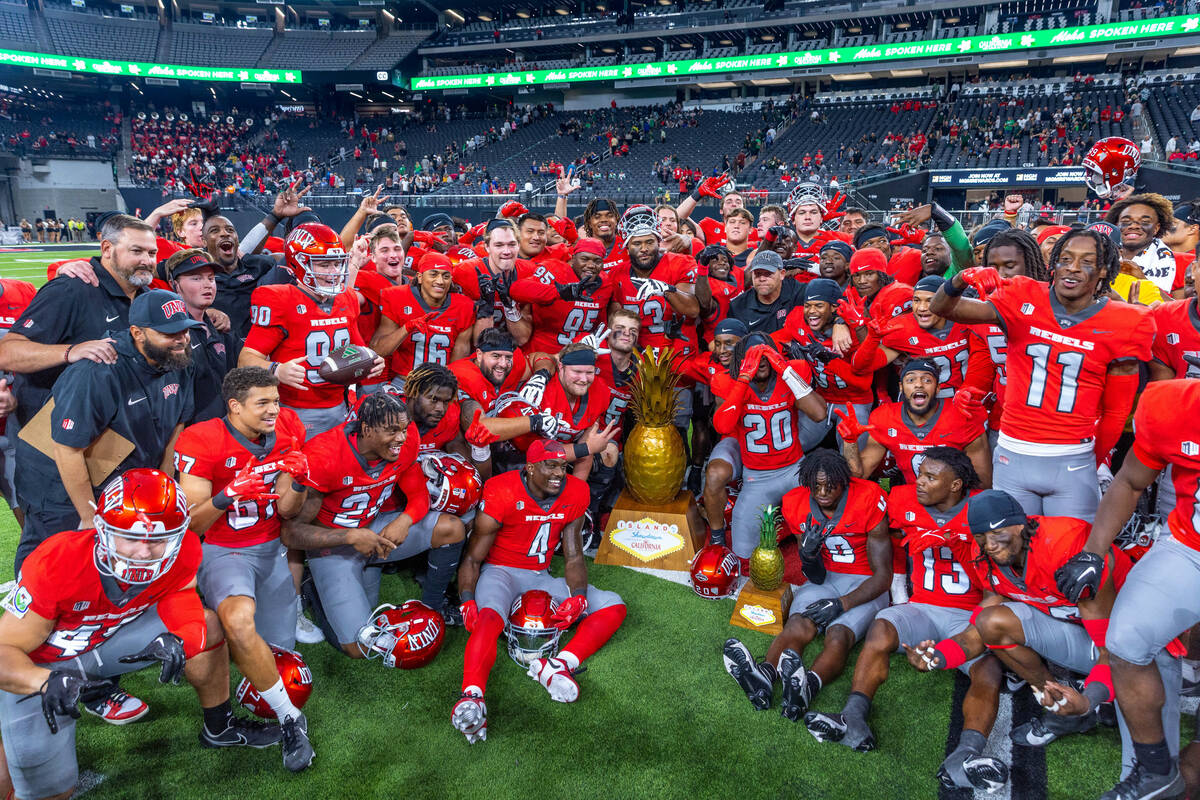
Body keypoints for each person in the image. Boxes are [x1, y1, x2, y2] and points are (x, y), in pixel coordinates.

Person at [0, 469, 279, 800]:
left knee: (207, 626)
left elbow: (180, 596)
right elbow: (5, 649)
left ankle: (220, 727)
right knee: (48, 793)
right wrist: (43, 681)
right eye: (130, 538)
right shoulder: (57, 562)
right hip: (44, 665)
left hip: (103, 643)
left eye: (157, 540)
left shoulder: (184, 550)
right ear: (101, 529)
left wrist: (182, 638)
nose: (143, 554)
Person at [804, 448, 1008, 795]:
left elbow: (1002, 574)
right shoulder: (901, 500)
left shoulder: (983, 510)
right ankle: (853, 717)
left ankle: (965, 755)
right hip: (921, 607)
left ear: (956, 484)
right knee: (881, 625)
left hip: (968, 613)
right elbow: (873, 520)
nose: (919, 482)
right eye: (921, 474)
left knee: (989, 669)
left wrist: (955, 543)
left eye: (930, 477)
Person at [931, 227, 1154, 519]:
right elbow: (943, 308)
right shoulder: (1022, 295)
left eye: (1087, 262)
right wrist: (960, 279)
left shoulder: (1125, 321)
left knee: (1068, 551)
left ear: (1103, 271)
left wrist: (1090, 459)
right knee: (1013, 550)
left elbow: (1116, 411)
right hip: (1013, 452)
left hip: (1072, 458)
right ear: (1053, 264)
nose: (1073, 268)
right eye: (1065, 259)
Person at [1057, 380, 1200, 799]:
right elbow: (1130, 482)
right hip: (1191, 548)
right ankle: (1156, 770)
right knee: (1126, 641)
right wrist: (1093, 552)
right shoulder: (1173, 406)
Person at [173, 367, 314, 771]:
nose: (274, 410)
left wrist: (299, 482)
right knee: (237, 622)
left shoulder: (287, 426)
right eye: (263, 403)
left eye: (276, 400)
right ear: (234, 406)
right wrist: (227, 495)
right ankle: (291, 719)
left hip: (271, 548)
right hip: (224, 549)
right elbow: (191, 524)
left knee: (281, 654)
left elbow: (287, 509)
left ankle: (271, 692)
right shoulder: (202, 439)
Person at [452, 439, 627, 743]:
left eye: (563, 465)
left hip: (540, 576)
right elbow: (472, 557)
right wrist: (467, 599)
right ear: (530, 468)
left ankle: (558, 665)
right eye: (551, 465)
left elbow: (573, 556)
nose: (560, 473)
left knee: (613, 604)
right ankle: (472, 696)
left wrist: (579, 596)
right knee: (489, 618)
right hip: (501, 573)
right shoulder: (501, 490)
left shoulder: (575, 490)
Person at [14, 289, 199, 574]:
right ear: (138, 333)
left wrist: (160, 486)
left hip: (115, 475)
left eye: (184, 331)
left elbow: (177, 425)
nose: (182, 340)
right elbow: (66, 447)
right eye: (169, 333)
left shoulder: (178, 359)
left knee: (109, 564)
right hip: (57, 481)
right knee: (53, 561)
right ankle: (29, 613)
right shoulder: (99, 371)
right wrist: (89, 516)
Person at [286, 392, 466, 649]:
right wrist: (350, 537)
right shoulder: (325, 455)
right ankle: (314, 590)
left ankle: (433, 606)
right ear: (367, 429)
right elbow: (291, 533)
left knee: (452, 528)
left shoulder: (404, 443)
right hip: (332, 545)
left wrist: (405, 520)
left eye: (404, 429)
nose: (401, 438)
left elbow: (419, 495)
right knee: (360, 647)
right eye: (393, 431)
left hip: (373, 529)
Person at [723, 450, 891, 720]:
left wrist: (841, 604)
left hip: (865, 582)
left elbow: (883, 577)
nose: (822, 492)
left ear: (844, 482)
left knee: (838, 635)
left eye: (830, 485)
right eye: (816, 486)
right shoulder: (795, 502)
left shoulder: (869, 497)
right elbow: (815, 575)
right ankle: (764, 676)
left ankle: (807, 687)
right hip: (826, 579)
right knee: (798, 623)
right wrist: (808, 554)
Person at [0, 214, 157, 429]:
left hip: (113, 429)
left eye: (152, 253)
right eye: (136, 251)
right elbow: (7, 352)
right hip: (50, 433)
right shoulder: (71, 289)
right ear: (107, 249)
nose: (147, 260)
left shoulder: (146, 296)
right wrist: (70, 352)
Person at [240, 222, 384, 437]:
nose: (334, 271)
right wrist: (276, 370)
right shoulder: (280, 299)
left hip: (339, 407)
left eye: (337, 263)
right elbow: (246, 359)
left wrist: (372, 361)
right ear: (299, 264)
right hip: (294, 410)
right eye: (324, 265)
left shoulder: (347, 298)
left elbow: (356, 350)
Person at [711, 335, 827, 563]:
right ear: (740, 361)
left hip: (795, 469)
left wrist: (783, 368)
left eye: (765, 355)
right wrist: (744, 377)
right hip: (757, 478)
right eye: (752, 357)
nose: (760, 361)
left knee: (819, 539)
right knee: (742, 552)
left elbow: (819, 414)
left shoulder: (793, 371)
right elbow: (722, 426)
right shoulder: (730, 380)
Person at [841, 358, 991, 486]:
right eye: (911, 379)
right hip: (910, 499)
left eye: (927, 380)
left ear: (938, 388)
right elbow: (858, 477)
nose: (919, 384)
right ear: (901, 387)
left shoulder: (962, 417)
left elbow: (983, 483)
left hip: (951, 500)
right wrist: (849, 442)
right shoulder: (884, 417)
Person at [371, 252, 474, 392]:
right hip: (404, 383)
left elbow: (457, 363)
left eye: (446, 276)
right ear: (419, 277)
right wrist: (406, 328)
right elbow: (378, 350)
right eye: (433, 274)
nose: (440, 281)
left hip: (442, 387)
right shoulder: (398, 297)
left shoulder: (463, 306)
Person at [163, 249, 240, 423]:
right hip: (188, 435)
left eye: (211, 278)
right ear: (173, 284)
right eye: (196, 278)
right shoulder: (168, 334)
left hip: (226, 429)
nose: (207, 285)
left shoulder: (221, 327)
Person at [508, 238, 610, 356]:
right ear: (573, 258)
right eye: (584, 259)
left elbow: (601, 326)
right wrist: (559, 292)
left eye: (597, 261)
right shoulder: (554, 271)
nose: (591, 265)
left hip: (579, 356)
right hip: (543, 353)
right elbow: (516, 290)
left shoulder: (606, 284)